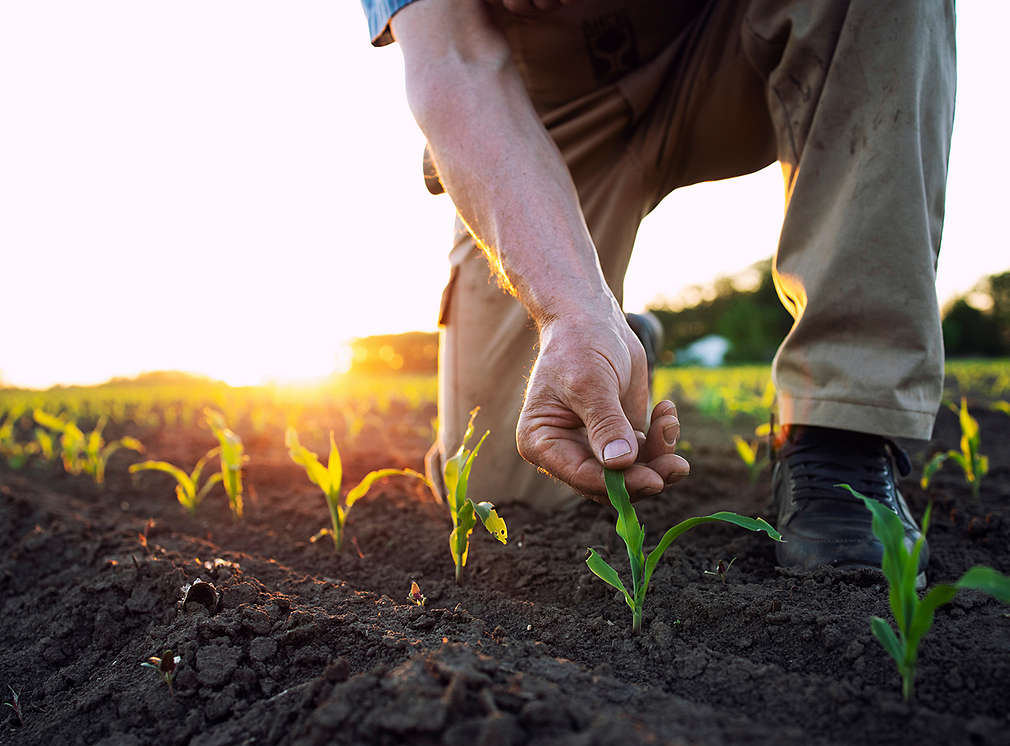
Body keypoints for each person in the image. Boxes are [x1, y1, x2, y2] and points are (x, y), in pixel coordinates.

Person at [360, 0, 955, 580]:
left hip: (725, 42)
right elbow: (455, 65)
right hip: (546, 113)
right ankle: (615, 336)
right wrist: (570, 312)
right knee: (507, 484)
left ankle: (839, 430)